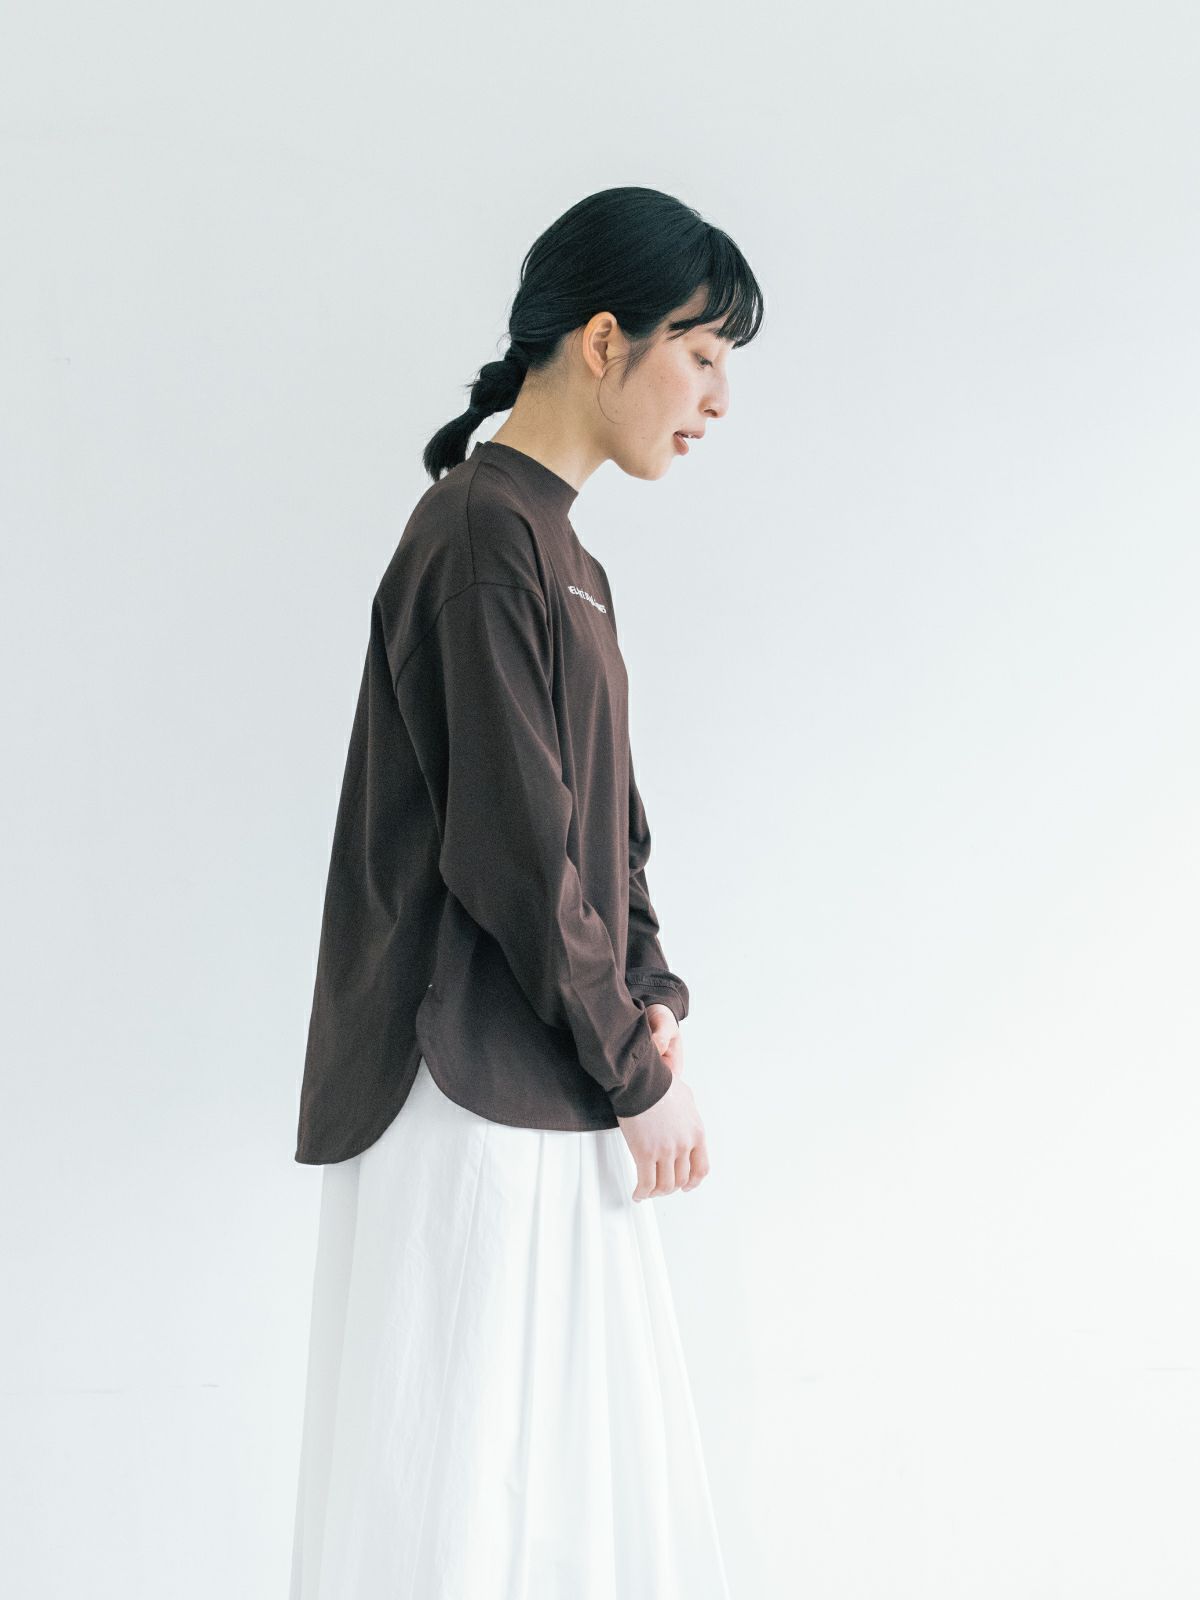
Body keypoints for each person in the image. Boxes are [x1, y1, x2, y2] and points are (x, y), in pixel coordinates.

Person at [289, 184, 764, 1599]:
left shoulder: (567, 556)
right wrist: (635, 1067)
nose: (719, 398)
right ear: (605, 341)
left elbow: (610, 831)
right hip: (462, 1085)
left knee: (551, 1500)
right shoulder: (480, 532)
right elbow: (513, 847)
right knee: (457, 1498)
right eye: (702, 353)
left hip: (545, 1072)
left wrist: (651, 998)